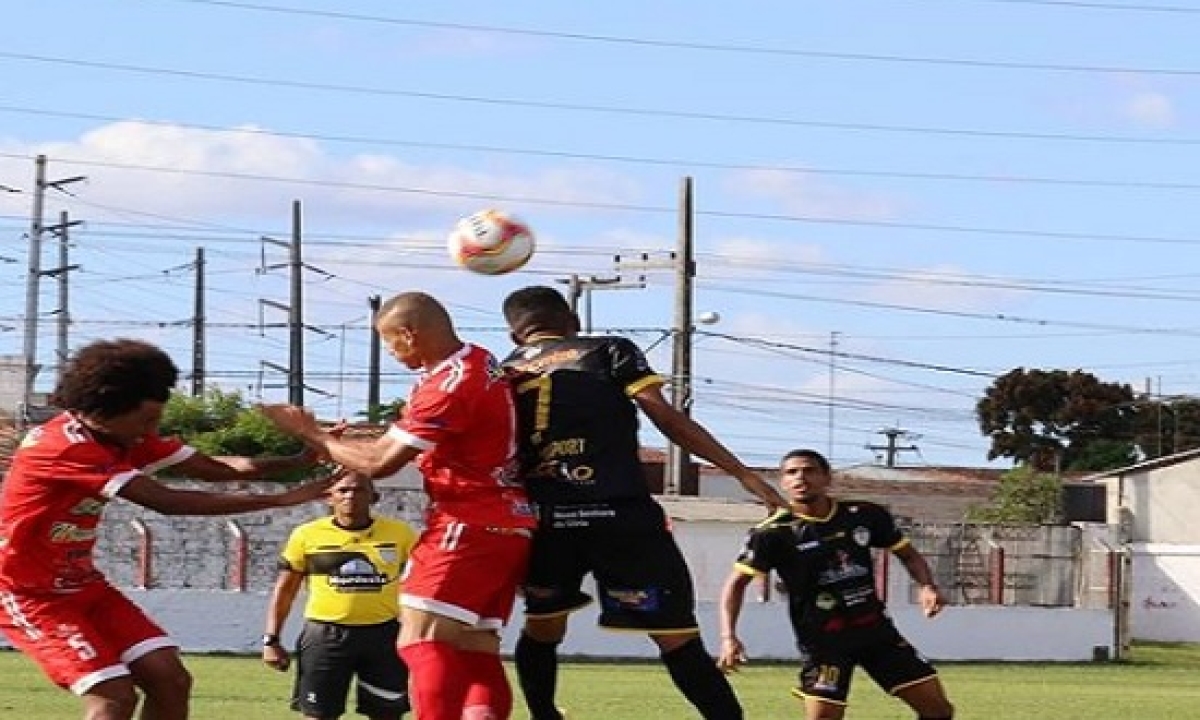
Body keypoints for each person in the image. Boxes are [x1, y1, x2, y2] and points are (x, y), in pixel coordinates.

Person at [0, 338, 333, 720]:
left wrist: (299, 459)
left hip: (85, 587)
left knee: (170, 679)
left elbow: (217, 469)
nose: (152, 430)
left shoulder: (122, 437)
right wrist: (280, 500)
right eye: (146, 420)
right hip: (28, 595)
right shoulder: (65, 447)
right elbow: (166, 501)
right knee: (114, 696)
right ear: (108, 409)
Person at [499, 285, 788, 720]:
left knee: (542, 626)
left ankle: (544, 715)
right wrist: (743, 474)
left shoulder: (501, 373)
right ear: (572, 323)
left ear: (514, 335)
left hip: (546, 522)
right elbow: (665, 416)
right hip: (620, 517)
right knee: (675, 636)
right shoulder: (608, 350)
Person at [259, 291, 535, 720]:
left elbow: (380, 463)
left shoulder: (448, 384)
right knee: (474, 647)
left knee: (417, 639)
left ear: (408, 334)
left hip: (466, 521)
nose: (389, 352)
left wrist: (311, 434)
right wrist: (337, 439)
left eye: (389, 341)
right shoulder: (474, 362)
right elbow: (395, 442)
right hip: (508, 523)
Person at [717, 449, 955, 720]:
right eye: (791, 473)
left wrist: (927, 586)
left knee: (938, 711)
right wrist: (728, 637)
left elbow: (908, 554)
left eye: (809, 470)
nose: (800, 478)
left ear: (827, 477)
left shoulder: (864, 515)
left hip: (877, 634)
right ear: (782, 483)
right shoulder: (773, 533)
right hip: (824, 643)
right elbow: (735, 584)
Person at [262, 471, 418, 720]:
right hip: (325, 636)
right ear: (329, 498)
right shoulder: (307, 535)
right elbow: (285, 590)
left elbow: (419, 586)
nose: (350, 496)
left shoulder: (401, 534)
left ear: (374, 497)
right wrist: (271, 640)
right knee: (319, 714)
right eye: (343, 490)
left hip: (384, 636)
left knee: (387, 714)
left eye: (359, 490)